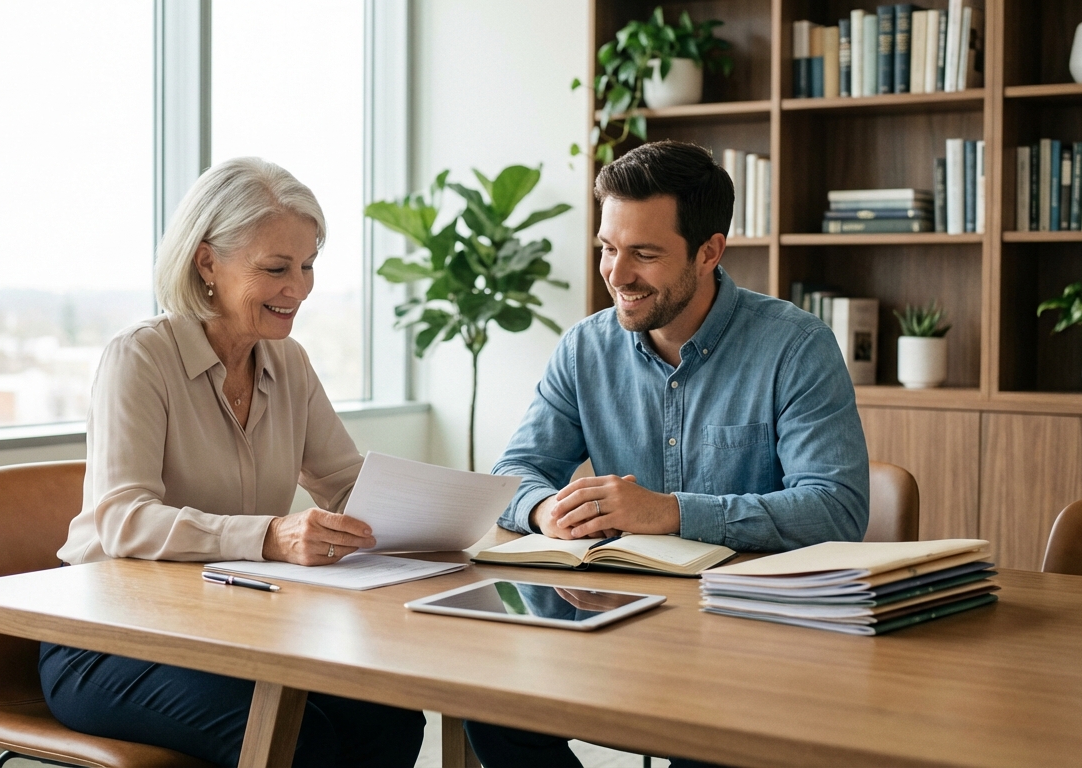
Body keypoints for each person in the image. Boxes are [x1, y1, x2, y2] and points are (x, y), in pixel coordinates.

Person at [464, 140, 869, 768]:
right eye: (607, 248)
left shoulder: (797, 348)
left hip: (751, 643)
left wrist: (673, 511)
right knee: (490, 707)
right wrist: (545, 509)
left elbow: (835, 509)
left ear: (709, 251)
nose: (616, 275)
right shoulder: (584, 350)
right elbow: (516, 471)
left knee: (705, 748)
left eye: (644, 254)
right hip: (615, 621)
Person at [43, 157, 425, 768]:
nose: (298, 289)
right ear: (207, 263)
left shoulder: (288, 362)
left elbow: (347, 484)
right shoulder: (139, 359)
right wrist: (270, 536)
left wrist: (438, 521)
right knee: (300, 741)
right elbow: (123, 519)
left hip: (230, 630)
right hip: (107, 640)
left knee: (389, 719)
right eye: (275, 269)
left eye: (306, 267)